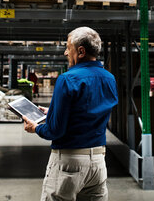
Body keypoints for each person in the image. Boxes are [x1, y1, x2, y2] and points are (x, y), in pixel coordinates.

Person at [22, 27, 118, 201]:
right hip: (98, 163)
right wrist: (54, 111)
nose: (66, 52)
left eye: (68, 47)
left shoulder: (67, 79)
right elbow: (90, 111)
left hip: (69, 164)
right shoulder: (109, 78)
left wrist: (35, 128)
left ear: (80, 51)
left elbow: (55, 131)